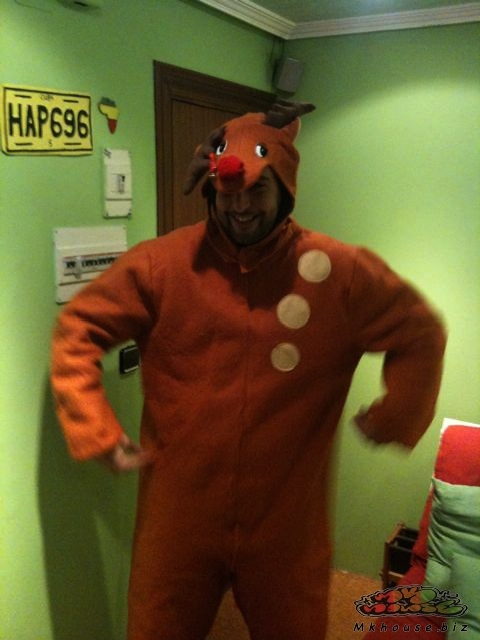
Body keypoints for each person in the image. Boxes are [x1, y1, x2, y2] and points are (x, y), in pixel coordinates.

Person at [50, 101, 447, 640]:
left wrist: (395, 415)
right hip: (178, 518)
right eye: (227, 193)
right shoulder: (161, 265)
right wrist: (95, 429)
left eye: (257, 191)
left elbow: (419, 331)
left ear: (285, 189)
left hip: (288, 522)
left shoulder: (340, 272)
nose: (239, 206)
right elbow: (77, 329)